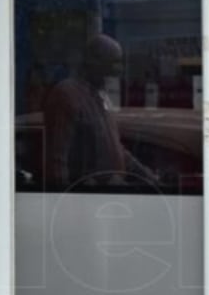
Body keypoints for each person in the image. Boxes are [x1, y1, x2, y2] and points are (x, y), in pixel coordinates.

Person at [42, 33, 156, 190]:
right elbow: (57, 160)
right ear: (93, 61)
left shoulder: (100, 95)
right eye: (113, 63)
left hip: (105, 195)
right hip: (86, 198)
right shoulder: (67, 94)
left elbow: (116, 149)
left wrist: (148, 176)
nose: (119, 70)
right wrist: (63, 201)